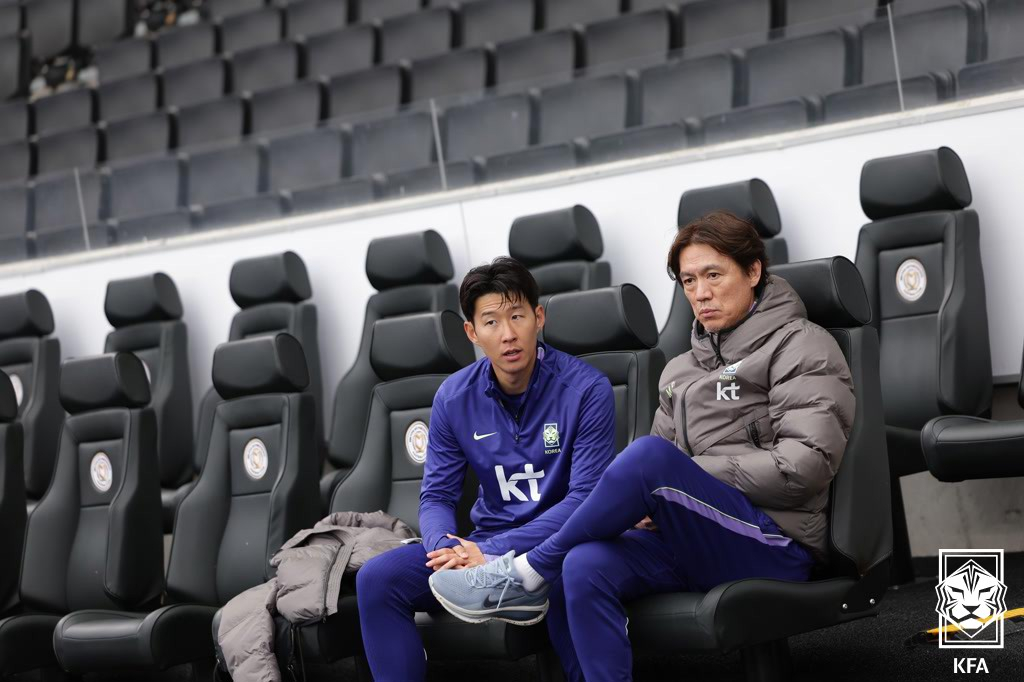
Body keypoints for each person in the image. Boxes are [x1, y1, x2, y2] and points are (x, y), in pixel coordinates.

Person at [429, 211, 856, 682]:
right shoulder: (680, 371)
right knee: (581, 564)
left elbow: (804, 466)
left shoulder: (801, 345)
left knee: (648, 460)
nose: (701, 293)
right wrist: (661, 494)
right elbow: (659, 479)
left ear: (753, 271)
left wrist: (681, 477)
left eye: (714, 275)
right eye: (689, 281)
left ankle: (527, 570)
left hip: (774, 543)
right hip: (689, 537)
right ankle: (545, 578)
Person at [355, 256, 617, 681]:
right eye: (491, 322)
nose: (508, 334)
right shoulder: (453, 397)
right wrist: (447, 550)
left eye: (517, 316)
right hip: (482, 548)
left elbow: (586, 500)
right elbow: (436, 496)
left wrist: (493, 550)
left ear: (539, 318)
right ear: (472, 333)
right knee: (377, 578)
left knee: (576, 574)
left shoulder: (587, 389)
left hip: (561, 546)